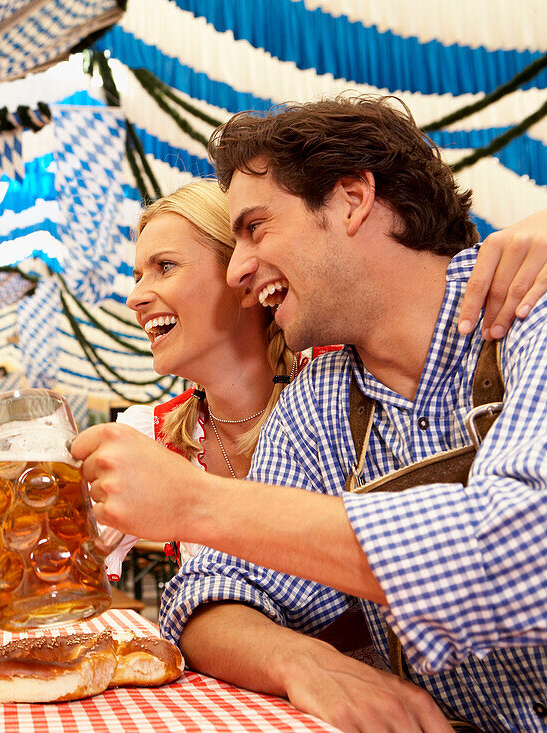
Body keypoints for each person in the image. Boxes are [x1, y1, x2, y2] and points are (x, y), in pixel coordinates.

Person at [74, 95, 547, 732]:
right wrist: (298, 659)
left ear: (352, 199)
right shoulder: (322, 397)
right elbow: (204, 591)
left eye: (256, 228)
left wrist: (197, 504)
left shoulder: (530, 309)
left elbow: (525, 548)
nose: (239, 269)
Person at [0, 177, 547, 630]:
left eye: (163, 267)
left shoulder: (340, 395)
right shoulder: (151, 436)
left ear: (245, 279)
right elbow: (23, 596)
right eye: (138, 275)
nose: (136, 297)